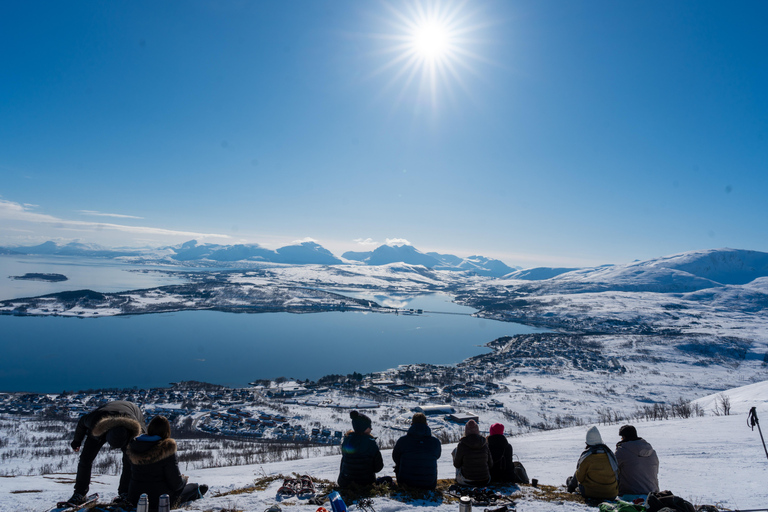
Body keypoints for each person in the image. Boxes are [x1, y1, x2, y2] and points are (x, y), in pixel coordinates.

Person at [66, 400, 145, 506]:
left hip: (131, 414)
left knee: (129, 460)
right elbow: (82, 422)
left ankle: (125, 493)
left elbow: (145, 443)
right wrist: (77, 441)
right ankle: (79, 493)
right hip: (104, 421)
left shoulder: (137, 429)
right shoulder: (95, 421)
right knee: (85, 459)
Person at [126, 416, 207, 511]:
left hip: (135, 499)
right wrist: (184, 480)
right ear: (167, 431)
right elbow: (176, 484)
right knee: (194, 487)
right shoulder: (166, 449)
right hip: (160, 500)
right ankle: (197, 493)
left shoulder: (134, 446)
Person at [566, 426, 619, 500]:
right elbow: (617, 474)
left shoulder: (586, 457)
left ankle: (571, 486)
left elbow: (580, 478)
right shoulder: (610, 454)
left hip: (591, 493)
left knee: (578, 472)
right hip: (612, 493)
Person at [392, 413, 442, 489]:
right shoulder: (435, 442)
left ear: (412, 424)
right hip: (429, 484)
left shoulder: (403, 441)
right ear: (426, 424)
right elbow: (437, 456)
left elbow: (395, 458)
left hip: (406, 483)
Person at [337, 410, 384, 488]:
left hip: (344, 483)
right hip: (365, 484)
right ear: (363, 427)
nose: (371, 429)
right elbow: (378, 467)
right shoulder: (370, 443)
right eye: (369, 426)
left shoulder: (347, 440)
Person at [615, 425, 659, 496]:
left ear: (624, 437)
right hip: (652, 493)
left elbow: (612, 469)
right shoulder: (652, 451)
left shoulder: (622, 451)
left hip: (630, 494)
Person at [452, 420, 493, 486]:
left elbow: (457, 465)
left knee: (455, 451)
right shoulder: (484, 443)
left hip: (467, 481)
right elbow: (490, 464)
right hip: (485, 480)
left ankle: (458, 478)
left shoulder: (462, 444)